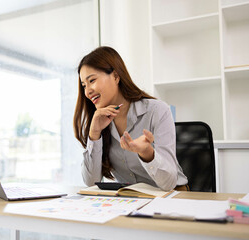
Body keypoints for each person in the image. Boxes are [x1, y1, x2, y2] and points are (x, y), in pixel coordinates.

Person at [73, 46, 188, 191]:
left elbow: (168, 184)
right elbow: (91, 182)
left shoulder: (157, 111)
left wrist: (147, 153)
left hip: (171, 197)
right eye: (84, 85)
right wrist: (94, 134)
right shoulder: (99, 121)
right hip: (131, 199)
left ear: (115, 76)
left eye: (92, 80)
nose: (87, 91)